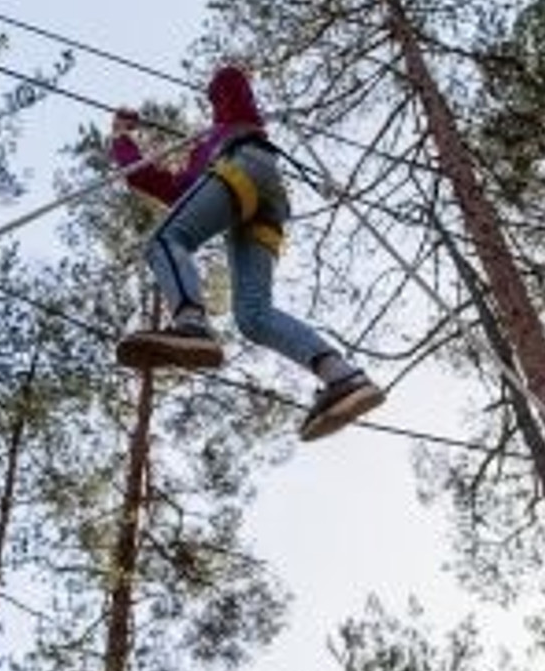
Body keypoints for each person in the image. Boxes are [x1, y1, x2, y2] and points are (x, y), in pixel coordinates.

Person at [109, 62, 385, 442]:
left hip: (246, 167)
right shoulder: (195, 169)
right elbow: (145, 176)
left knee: (164, 242)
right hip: (262, 201)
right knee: (253, 316)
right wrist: (121, 137)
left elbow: (229, 82)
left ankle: (191, 323)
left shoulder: (232, 121)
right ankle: (343, 377)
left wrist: (230, 75)